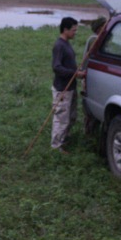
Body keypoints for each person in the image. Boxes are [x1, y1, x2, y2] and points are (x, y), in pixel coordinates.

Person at [51, 17, 86, 153]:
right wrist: (75, 73)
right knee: (61, 118)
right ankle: (56, 146)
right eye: (73, 30)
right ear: (65, 30)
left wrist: (76, 70)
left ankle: (64, 139)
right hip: (62, 89)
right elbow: (57, 67)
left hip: (70, 87)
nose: (75, 33)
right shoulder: (59, 45)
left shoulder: (67, 43)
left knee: (71, 116)